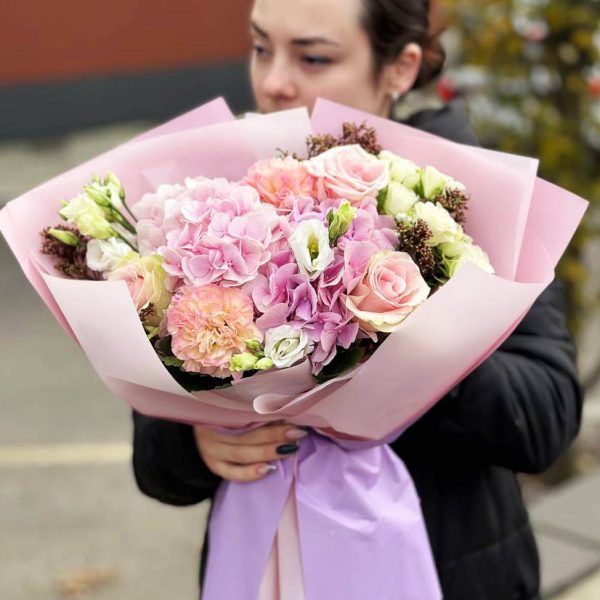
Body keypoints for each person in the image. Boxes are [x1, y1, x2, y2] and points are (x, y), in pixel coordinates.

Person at [132, 1, 582, 598]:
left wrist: (406, 340)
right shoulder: (216, 202)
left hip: (449, 566)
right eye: (261, 47)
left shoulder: (472, 204)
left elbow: (545, 417)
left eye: (314, 57)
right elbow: (155, 463)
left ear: (400, 67)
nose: (273, 81)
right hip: (264, 569)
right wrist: (195, 439)